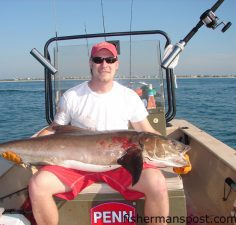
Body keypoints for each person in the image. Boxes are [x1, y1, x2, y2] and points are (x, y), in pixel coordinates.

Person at [29, 41, 169, 225]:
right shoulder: (72, 96)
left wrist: (172, 153)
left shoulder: (129, 96)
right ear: (90, 63)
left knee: (157, 183)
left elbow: (147, 132)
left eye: (110, 59)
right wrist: (30, 145)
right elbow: (55, 129)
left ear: (117, 64)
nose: (104, 64)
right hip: (77, 164)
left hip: (120, 163)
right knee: (37, 185)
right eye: (98, 59)